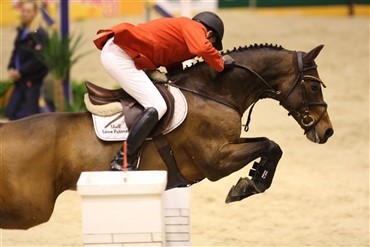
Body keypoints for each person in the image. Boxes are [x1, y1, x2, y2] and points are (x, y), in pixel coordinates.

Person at [93, 11, 235, 171]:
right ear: (209, 33)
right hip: (120, 55)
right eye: (212, 42)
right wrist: (220, 62)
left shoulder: (182, 35)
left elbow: (173, 66)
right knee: (157, 105)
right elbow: (202, 47)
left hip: (123, 53)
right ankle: (123, 159)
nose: (210, 47)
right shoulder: (194, 27)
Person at [6, 0, 49, 120]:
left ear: (35, 14)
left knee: (33, 116)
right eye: (23, 11)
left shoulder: (39, 34)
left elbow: (39, 59)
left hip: (32, 81)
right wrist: (11, 68)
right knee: (11, 111)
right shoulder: (22, 31)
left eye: (28, 11)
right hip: (19, 80)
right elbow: (16, 52)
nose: (24, 14)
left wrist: (22, 71)